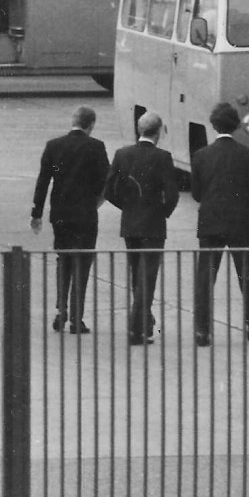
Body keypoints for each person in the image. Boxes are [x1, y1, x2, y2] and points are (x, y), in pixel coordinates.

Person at [190, 101, 249, 346]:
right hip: (240, 223)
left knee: (206, 276)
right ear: (237, 126)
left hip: (210, 222)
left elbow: (196, 192)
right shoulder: (247, 155)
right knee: (246, 276)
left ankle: (202, 330)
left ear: (213, 125)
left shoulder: (201, 155)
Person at [31, 106, 111, 334]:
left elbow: (44, 180)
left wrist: (36, 212)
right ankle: (77, 316)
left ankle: (61, 309)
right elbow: (105, 180)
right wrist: (96, 201)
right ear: (91, 124)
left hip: (61, 214)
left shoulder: (54, 146)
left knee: (63, 259)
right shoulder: (95, 147)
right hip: (85, 213)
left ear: (73, 121)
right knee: (82, 263)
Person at [104, 110, 180, 346]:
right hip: (153, 223)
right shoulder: (163, 157)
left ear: (139, 130)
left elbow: (109, 189)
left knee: (137, 275)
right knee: (148, 277)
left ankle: (144, 322)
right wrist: (162, 212)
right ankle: (137, 327)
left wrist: (126, 206)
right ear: (158, 132)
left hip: (131, 222)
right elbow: (173, 194)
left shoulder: (122, 154)